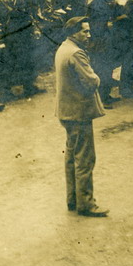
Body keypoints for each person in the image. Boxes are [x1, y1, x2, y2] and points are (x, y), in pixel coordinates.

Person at [55, 16, 108, 217]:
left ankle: (73, 199)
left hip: (67, 111)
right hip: (79, 112)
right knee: (85, 159)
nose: (89, 34)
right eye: (84, 31)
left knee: (71, 157)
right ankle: (87, 204)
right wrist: (97, 76)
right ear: (73, 31)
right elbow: (91, 81)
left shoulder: (64, 48)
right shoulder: (76, 53)